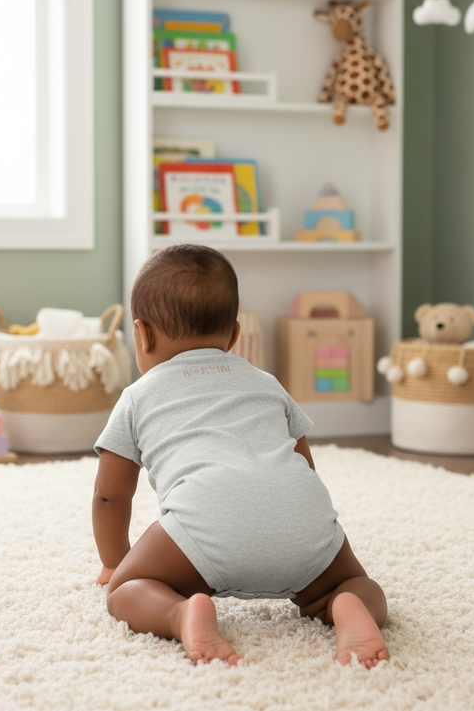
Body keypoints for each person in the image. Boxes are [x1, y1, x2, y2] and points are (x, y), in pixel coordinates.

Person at [92, 244, 388, 668]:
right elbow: (304, 466)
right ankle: (347, 606)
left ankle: (181, 613)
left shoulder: (137, 397)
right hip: (302, 521)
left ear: (142, 334)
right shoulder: (266, 382)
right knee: (359, 583)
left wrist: (114, 562)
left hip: (204, 526)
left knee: (127, 589)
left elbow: (109, 496)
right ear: (233, 334)